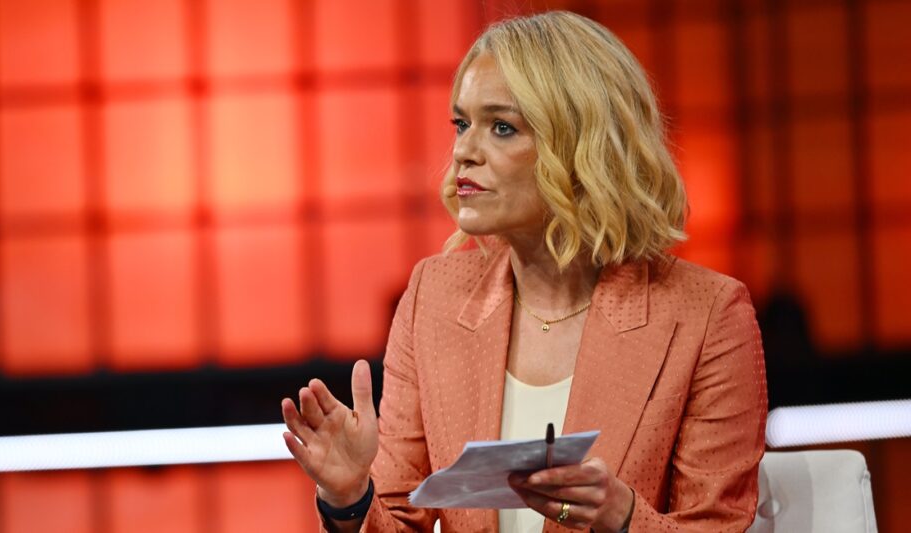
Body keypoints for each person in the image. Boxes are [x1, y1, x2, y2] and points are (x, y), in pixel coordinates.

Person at [281, 11, 766, 533]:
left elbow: (717, 526)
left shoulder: (706, 315)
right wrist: (350, 496)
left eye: (502, 127)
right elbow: (402, 520)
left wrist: (624, 518)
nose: (464, 152)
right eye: (462, 124)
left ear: (581, 146)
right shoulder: (434, 298)